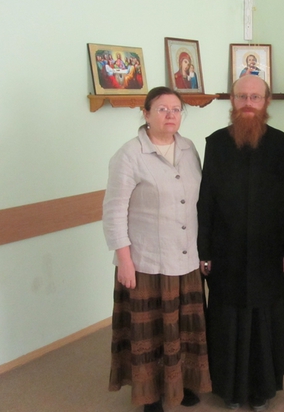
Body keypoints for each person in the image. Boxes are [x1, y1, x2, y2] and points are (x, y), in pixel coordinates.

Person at [197, 75, 284, 411]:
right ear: (232, 100)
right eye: (241, 96)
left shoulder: (283, 145)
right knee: (227, 320)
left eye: (254, 97)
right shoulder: (215, 143)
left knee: (264, 319)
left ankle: (262, 389)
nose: (248, 103)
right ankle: (228, 389)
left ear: (266, 102)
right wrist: (204, 250)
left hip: (268, 254)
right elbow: (205, 200)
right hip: (225, 252)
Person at [102, 87, 211, 412]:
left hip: (186, 258)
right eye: (162, 109)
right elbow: (114, 211)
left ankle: (182, 383)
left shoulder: (189, 148)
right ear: (146, 113)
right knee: (151, 334)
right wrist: (124, 260)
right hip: (147, 262)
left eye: (176, 109)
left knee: (183, 330)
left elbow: (197, 203)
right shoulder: (129, 154)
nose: (170, 115)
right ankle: (150, 396)